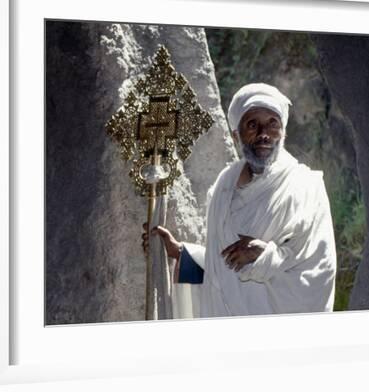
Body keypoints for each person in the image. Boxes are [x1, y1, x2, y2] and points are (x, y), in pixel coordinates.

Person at [142, 83, 336, 317]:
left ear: (283, 131)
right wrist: (182, 254)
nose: (264, 133)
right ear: (236, 135)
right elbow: (222, 267)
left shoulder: (306, 186)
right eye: (252, 124)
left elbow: (319, 269)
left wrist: (265, 256)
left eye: (272, 123)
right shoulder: (224, 186)